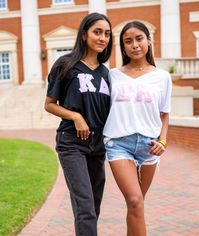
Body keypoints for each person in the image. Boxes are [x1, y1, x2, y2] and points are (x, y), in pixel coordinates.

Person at [44, 12, 112, 236]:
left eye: (107, 34)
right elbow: (50, 104)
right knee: (85, 206)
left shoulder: (106, 73)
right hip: (72, 143)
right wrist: (75, 116)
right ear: (84, 34)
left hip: (97, 146)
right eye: (97, 32)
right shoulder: (66, 64)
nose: (102, 38)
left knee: (94, 205)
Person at [103, 21, 172, 236]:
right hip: (118, 144)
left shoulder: (162, 77)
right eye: (128, 41)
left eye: (139, 39)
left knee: (136, 205)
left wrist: (163, 141)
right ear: (123, 47)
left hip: (149, 146)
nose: (134, 45)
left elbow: (165, 113)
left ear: (149, 40)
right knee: (134, 200)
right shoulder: (111, 75)